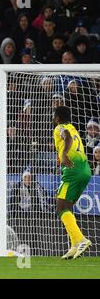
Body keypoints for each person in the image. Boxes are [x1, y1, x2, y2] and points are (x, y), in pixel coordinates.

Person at [53, 106, 92, 259]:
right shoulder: (74, 127)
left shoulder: (59, 128)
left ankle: (81, 240)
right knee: (67, 206)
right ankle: (74, 245)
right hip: (85, 169)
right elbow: (70, 136)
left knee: (60, 207)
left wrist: (64, 155)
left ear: (57, 118)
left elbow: (66, 136)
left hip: (73, 170)